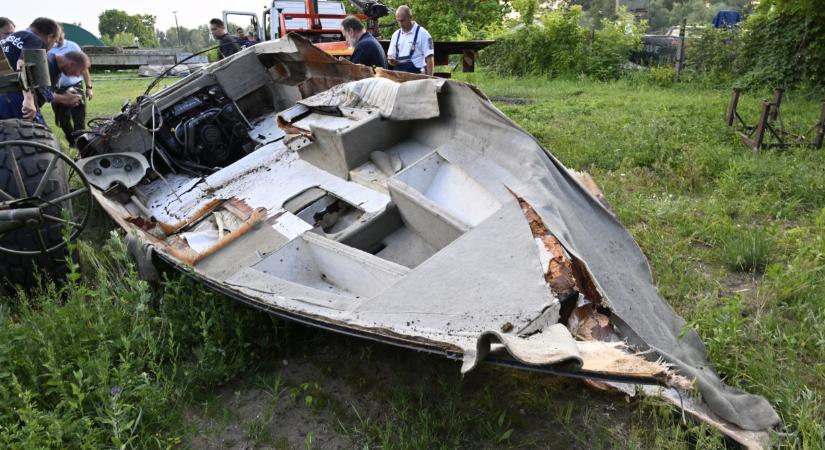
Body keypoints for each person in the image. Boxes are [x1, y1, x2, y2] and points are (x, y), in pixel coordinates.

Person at [0, 17, 61, 123]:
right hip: (15, 95)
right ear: (50, 37)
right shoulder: (35, 39)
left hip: (3, 95)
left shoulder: (10, 38)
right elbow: (22, 64)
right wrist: (28, 99)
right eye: (55, 42)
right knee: (41, 136)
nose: (52, 46)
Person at [49, 34, 93, 147]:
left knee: (79, 118)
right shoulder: (49, 60)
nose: (78, 75)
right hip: (57, 90)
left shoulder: (72, 47)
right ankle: (72, 142)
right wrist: (64, 97)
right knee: (62, 120)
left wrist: (88, 87)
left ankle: (82, 144)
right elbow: (39, 93)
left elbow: (83, 68)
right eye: (78, 71)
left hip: (74, 87)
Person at [387, 5, 434, 75]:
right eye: (398, 21)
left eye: (402, 21)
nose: (400, 24)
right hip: (399, 77)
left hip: (418, 77)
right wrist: (391, 61)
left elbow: (430, 59)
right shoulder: (395, 35)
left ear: (410, 18)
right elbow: (390, 56)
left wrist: (430, 80)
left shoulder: (423, 34)